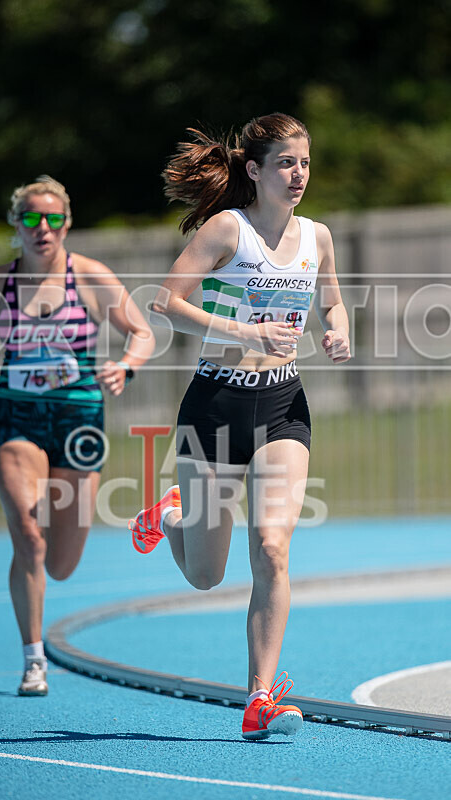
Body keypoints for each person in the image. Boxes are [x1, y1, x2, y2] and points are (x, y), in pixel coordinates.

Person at [129, 114, 351, 739]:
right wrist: (246, 332)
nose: (298, 174)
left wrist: (336, 329)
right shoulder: (230, 229)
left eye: (304, 162)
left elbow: (331, 299)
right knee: (206, 573)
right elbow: (166, 301)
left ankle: (260, 697)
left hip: (283, 404)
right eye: (285, 162)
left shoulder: (318, 237)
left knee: (273, 548)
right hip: (215, 405)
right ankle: (171, 514)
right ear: (253, 171)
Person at [0, 175, 154, 696]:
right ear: (16, 224)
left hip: (78, 421)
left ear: (67, 222)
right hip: (16, 417)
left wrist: (126, 367)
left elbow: (142, 332)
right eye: (31, 219)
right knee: (27, 535)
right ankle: (33, 658)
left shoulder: (89, 277)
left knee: (62, 564)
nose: (43, 228)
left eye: (53, 218)